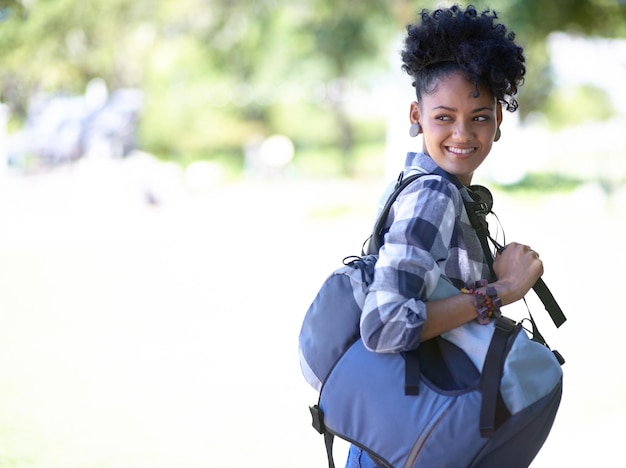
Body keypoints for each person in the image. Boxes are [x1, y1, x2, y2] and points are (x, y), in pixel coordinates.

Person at [347, 5, 548, 467]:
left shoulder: (421, 182)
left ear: (499, 118)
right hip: (407, 445)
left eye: (479, 116)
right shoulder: (433, 193)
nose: (462, 133)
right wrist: (504, 290)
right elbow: (385, 325)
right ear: (417, 115)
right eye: (444, 117)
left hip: (400, 434)